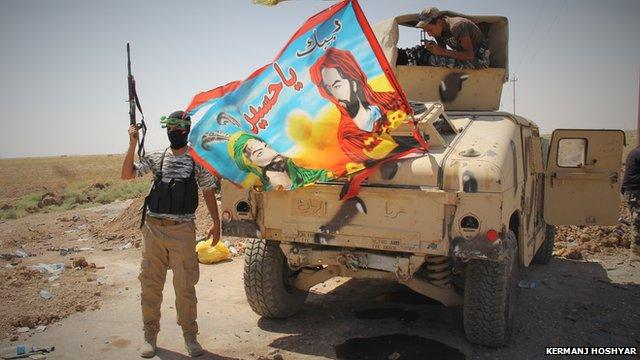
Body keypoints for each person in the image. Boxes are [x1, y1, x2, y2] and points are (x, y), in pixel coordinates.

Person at [121, 110, 220, 358]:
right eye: (171, 128)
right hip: (153, 229)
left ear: (186, 131)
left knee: (185, 286)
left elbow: (208, 192)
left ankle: (190, 336)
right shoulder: (157, 157)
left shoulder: (197, 161)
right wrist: (133, 143)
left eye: (178, 129)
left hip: (182, 232)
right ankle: (149, 336)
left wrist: (216, 224)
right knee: (150, 286)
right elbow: (127, 174)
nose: (174, 133)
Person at [309, 47, 406, 164]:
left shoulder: (390, 99)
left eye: (337, 85)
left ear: (354, 83)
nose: (334, 95)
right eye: (328, 88)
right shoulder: (348, 136)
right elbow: (385, 156)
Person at [227, 131, 329, 190]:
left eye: (267, 145)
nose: (271, 150)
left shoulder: (302, 171)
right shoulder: (245, 161)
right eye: (260, 153)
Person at [415, 7, 490, 69]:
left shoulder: (457, 26)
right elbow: (442, 53)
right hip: (463, 58)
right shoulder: (438, 32)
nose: (429, 34)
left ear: (439, 22)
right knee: (428, 58)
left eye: (430, 30)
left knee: (435, 61)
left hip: (479, 59)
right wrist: (433, 49)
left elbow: (469, 55)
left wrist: (441, 51)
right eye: (426, 31)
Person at [621, 145, 640, 264]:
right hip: (635, 191)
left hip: (633, 191)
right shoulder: (638, 153)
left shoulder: (635, 152)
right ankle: (636, 253)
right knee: (637, 222)